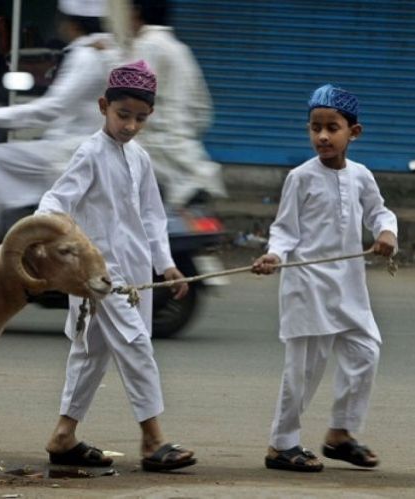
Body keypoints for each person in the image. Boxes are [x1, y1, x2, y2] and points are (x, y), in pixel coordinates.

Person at [37, 60, 196, 472]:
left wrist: (166, 264)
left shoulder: (139, 158)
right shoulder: (89, 153)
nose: (129, 125)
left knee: (91, 354)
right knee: (137, 345)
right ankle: (152, 440)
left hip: (136, 273)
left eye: (139, 118)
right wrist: (56, 246)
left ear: (150, 117)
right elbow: (54, 204)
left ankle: (63, 436)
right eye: (122, 115)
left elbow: (153, 217)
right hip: (100, 276)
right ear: (103, 106)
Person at [252, 84, 398, 472]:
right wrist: (274, 255)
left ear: (354, 132)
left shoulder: (362, 176)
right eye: (315, 127)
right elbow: (284, 230)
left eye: (332, 127)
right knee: (303, 370)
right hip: (307, 285)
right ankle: (282, 445)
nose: (321, 136)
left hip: (348, 284)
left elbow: (380, 213)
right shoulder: (300, 178)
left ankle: (341, 434)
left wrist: (387, 234)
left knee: (366, 351)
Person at [0, 0, 119, 247]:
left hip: (71, 152)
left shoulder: (87, 56)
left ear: (71, 23)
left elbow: (52, 108)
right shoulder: (105, 51)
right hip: (82, 146)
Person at [127, 0, 227, 206]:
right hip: (190, 158)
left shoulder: (145, 46)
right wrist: (185, 136)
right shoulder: (181, 50)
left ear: (136, 12)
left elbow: (132, 99)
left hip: (157, 158)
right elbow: (202, 109)